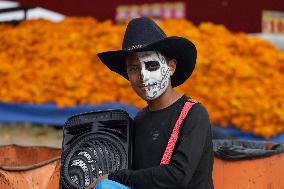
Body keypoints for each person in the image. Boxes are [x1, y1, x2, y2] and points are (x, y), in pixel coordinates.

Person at [88, 17, 214, 189]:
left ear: (171, 67)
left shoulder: (194, 114)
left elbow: (179, 176)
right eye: (133, 69)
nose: (143, 76)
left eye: (152, 66)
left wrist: (115, 177)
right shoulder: (139, 119)